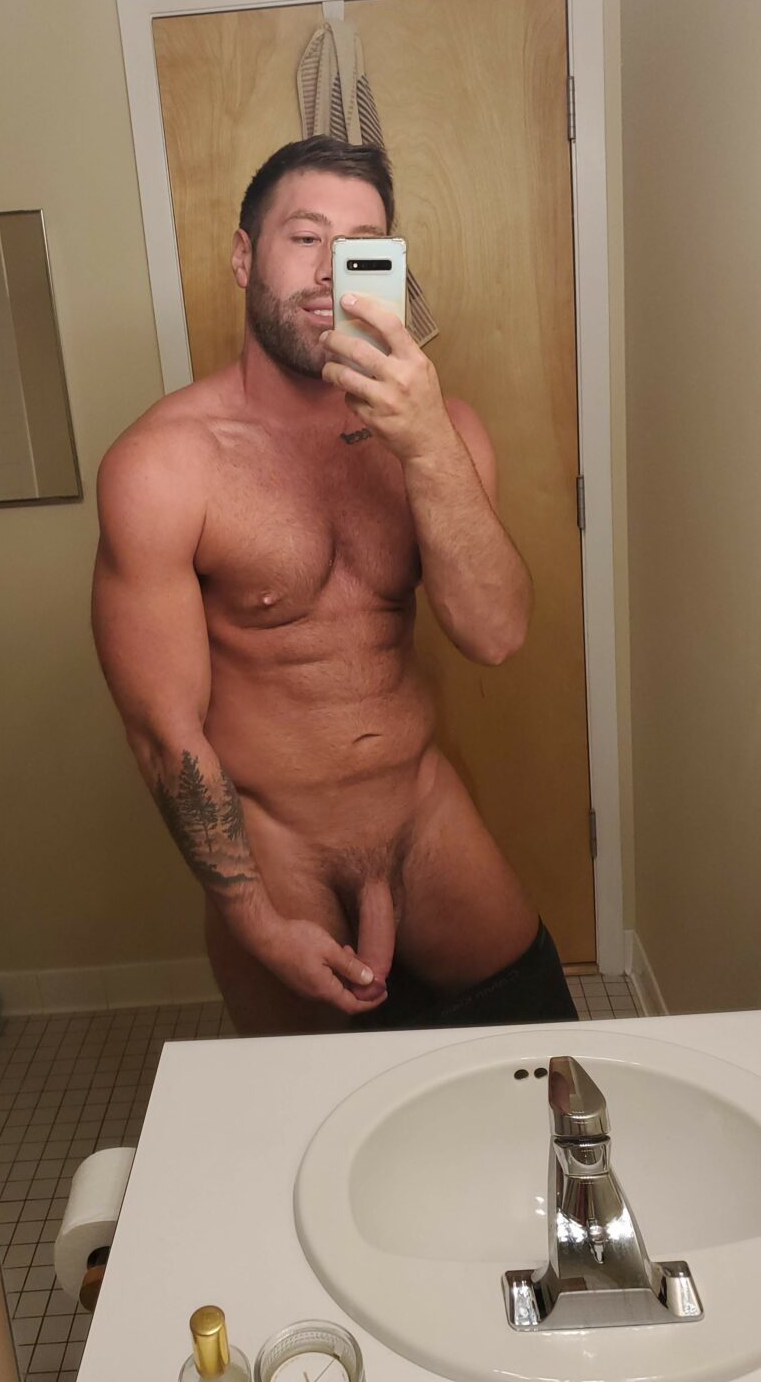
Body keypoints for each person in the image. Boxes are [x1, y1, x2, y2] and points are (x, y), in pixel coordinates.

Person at [91, 136, 577, 1036]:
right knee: (311, 1110)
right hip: (279, 850)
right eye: (305, 237)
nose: (329, 272)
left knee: (539, 1059)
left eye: (360, 245)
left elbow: (496, 633)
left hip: (426, 820)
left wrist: (426, 444)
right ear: (246, 256)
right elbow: (164, 733)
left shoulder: (442, 435)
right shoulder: (163, 467)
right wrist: (254, 921)